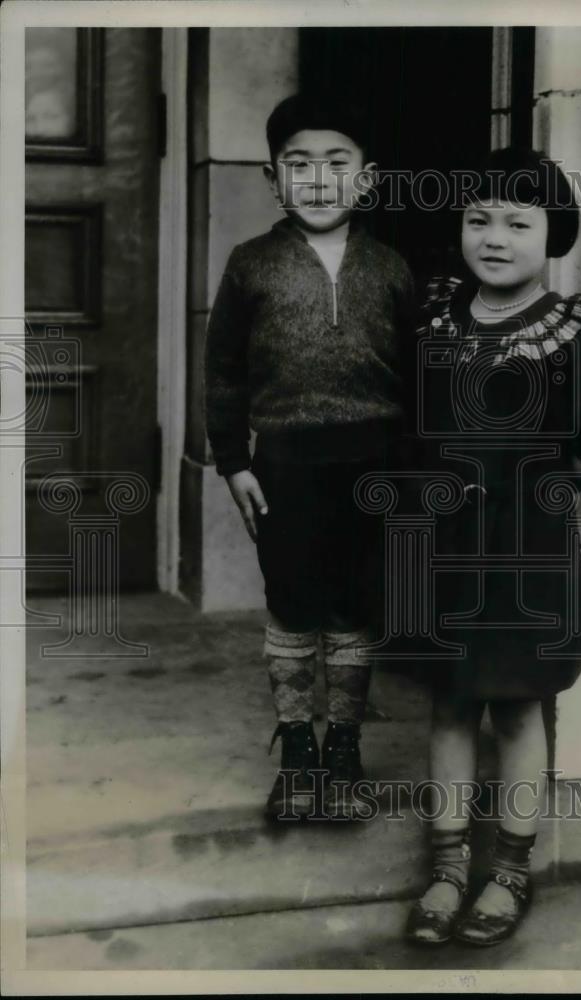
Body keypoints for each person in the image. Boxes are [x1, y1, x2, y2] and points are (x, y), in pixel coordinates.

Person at [404, 147, 581, 946]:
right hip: (441, 544)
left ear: (553, 235)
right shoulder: (435, 320)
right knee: (448, 701)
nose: (493, 237)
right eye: (478, 220)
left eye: (516, 220)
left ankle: (508, 867)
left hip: (522, 548)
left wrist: (530, 487)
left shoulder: (568, 336)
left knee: (514, 705)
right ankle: (443, 863)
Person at [204, 93, 415, 822]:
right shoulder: (250, 265)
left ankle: (344, 751)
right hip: (284, 467)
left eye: (336, 163)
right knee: (293, 605)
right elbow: (224, 370)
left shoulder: (391, 268)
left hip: (373, 465)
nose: (318, 180)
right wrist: (233, 462)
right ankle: (297, 749)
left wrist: (411, 471)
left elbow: (417, 376)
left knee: (355, 609)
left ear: (367, 179)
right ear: (272, 179)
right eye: (298, 164)